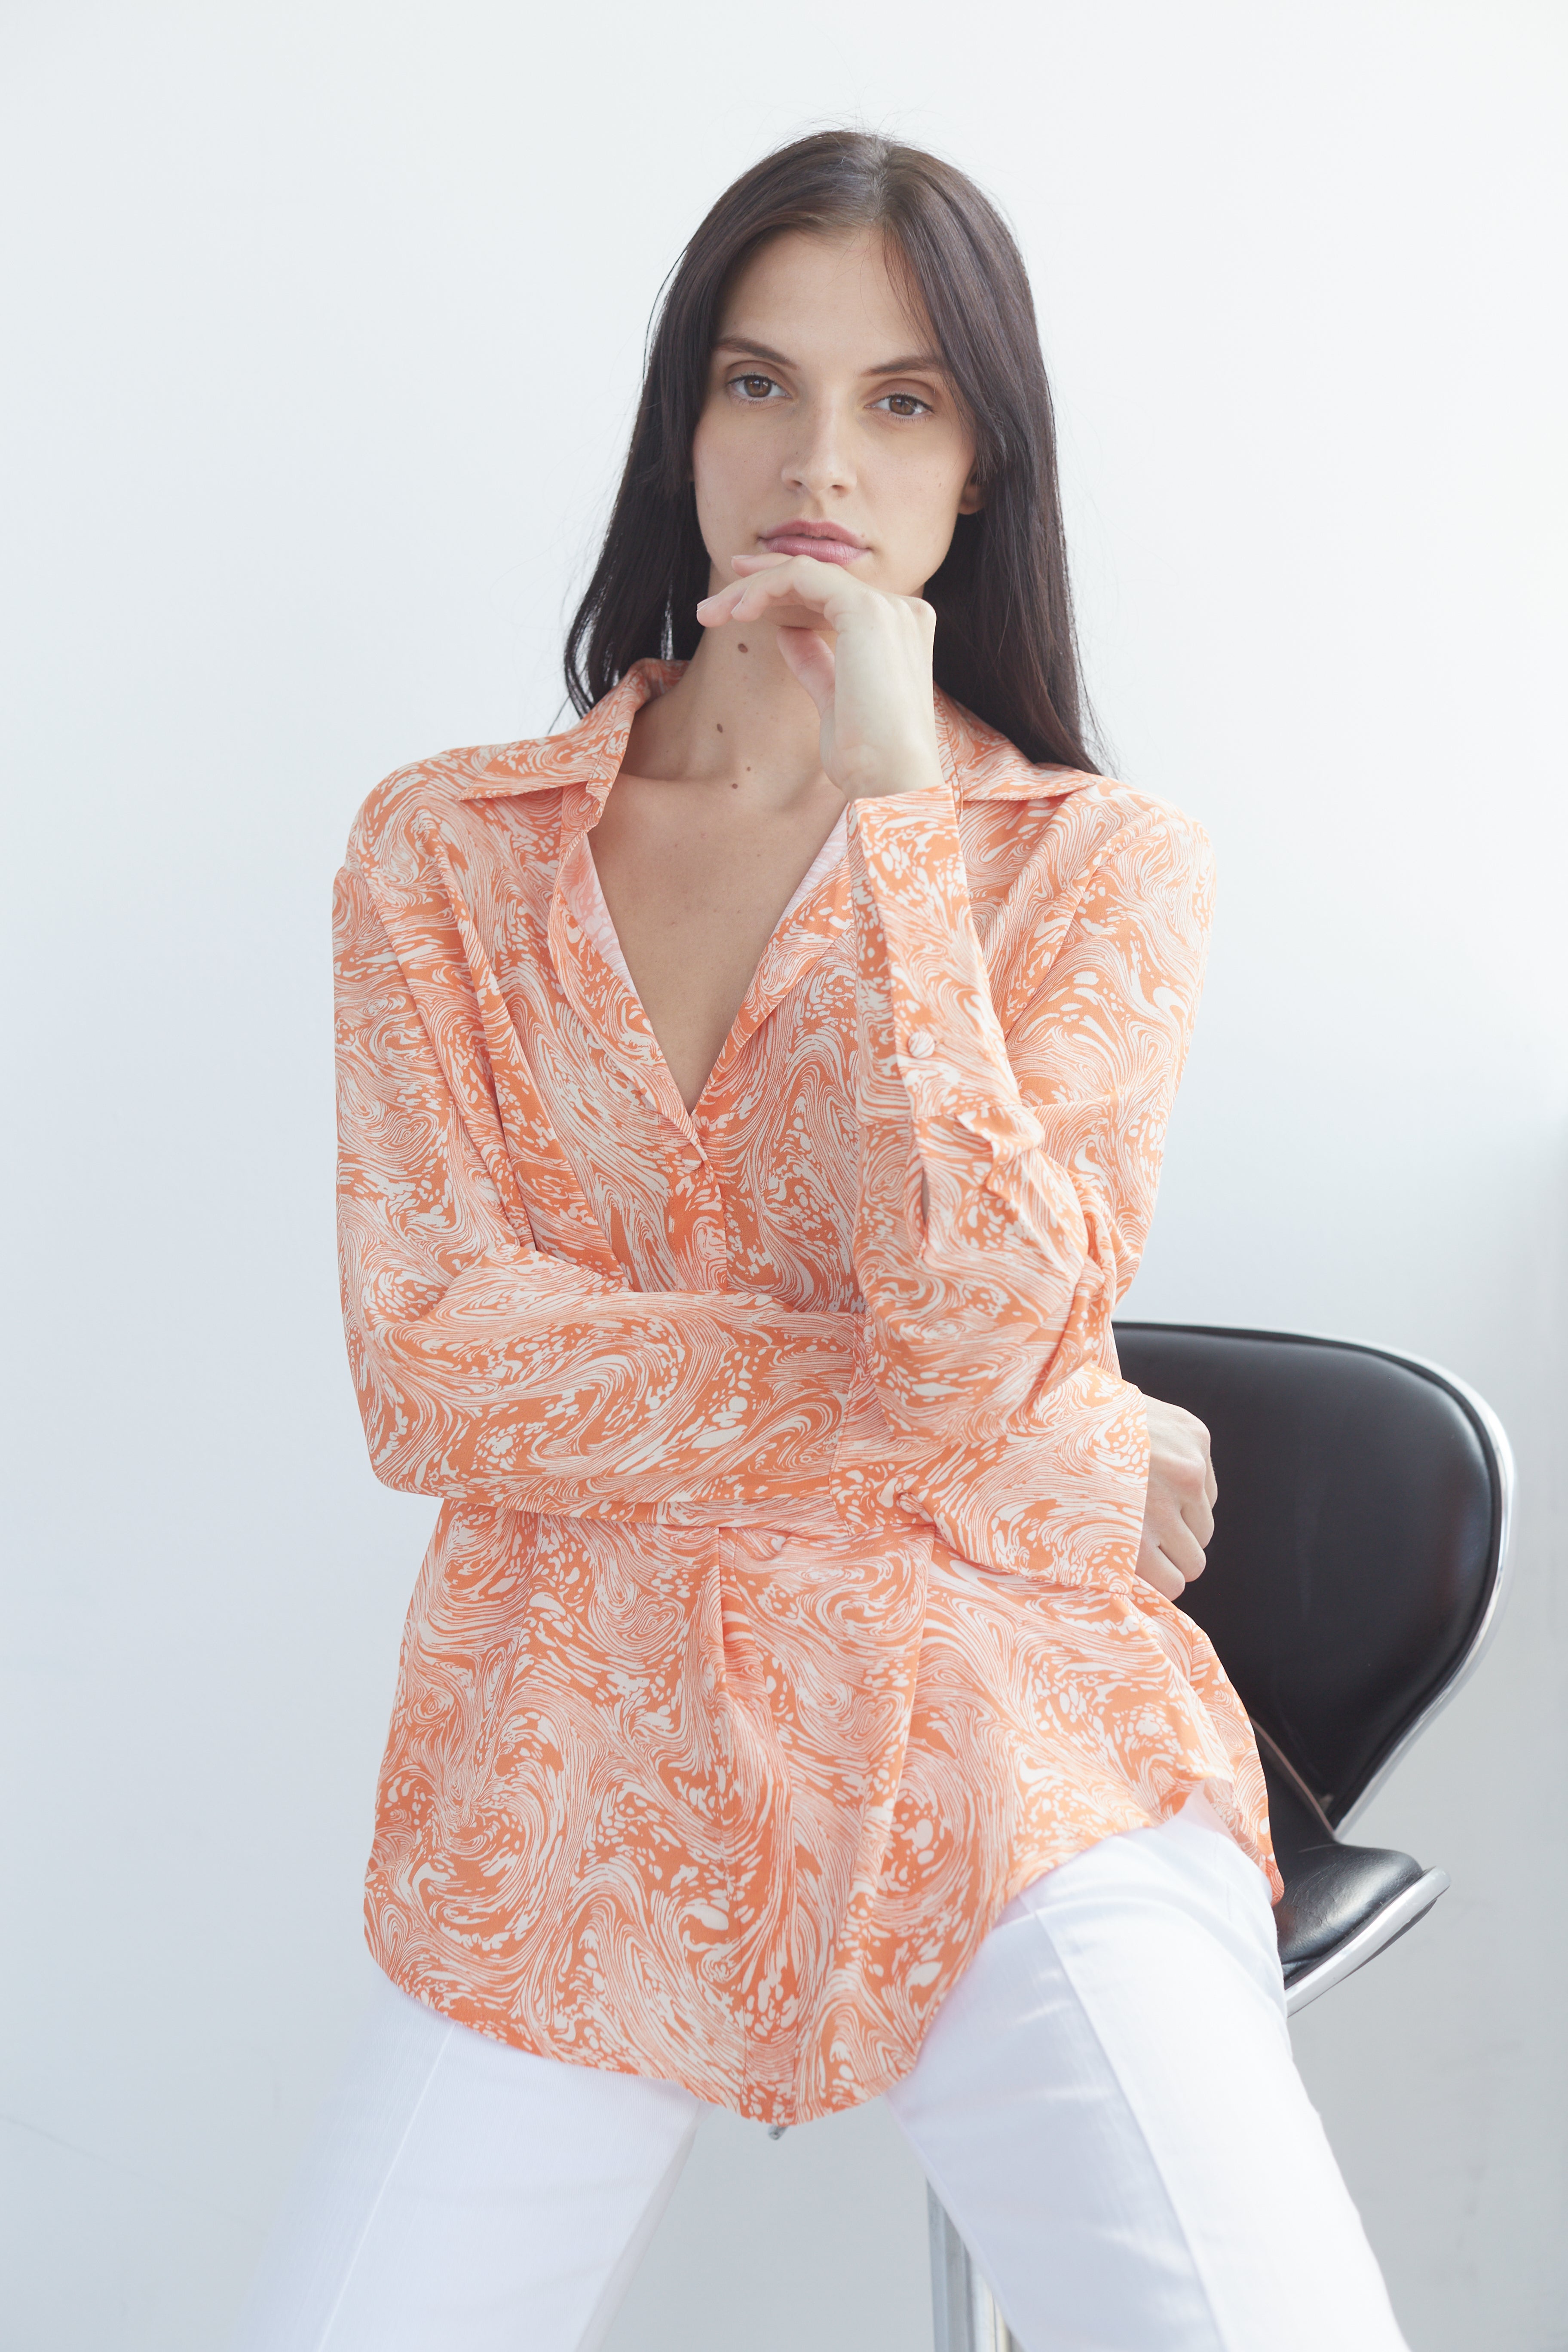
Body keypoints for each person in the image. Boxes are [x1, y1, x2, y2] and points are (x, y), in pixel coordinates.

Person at [233, 132, 1408, 2352]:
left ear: (985, 465)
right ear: (685, 424)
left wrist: (897, 820)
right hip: (568, 1764)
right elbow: (433, 1370)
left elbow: (970, 1331)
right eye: (758, 385)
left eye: (901, 402)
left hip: (997, 1744)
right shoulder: (440, 861)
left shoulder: (1099, 873)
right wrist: (1051, 1447)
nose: (816, 459)